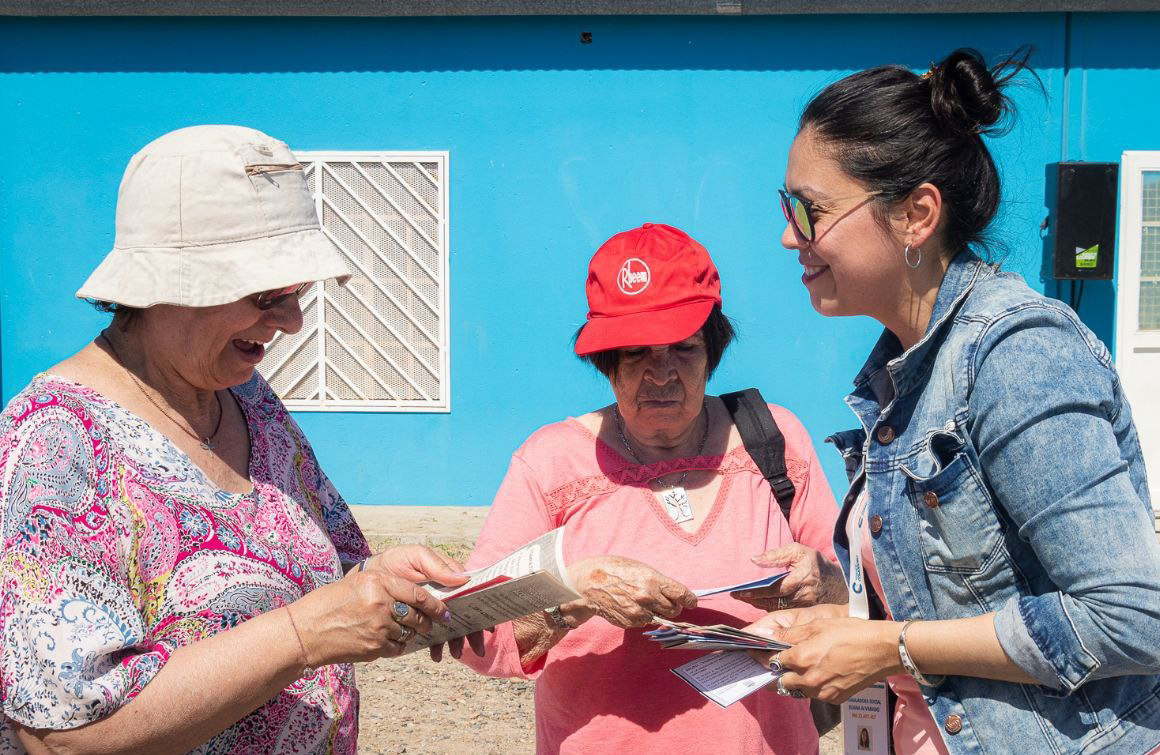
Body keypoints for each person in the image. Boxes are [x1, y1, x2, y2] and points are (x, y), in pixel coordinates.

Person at [746, 48, 1160, 753]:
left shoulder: (1018, 353)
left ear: (916, 214)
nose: (789, 234)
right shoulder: (902, 374)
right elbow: (965, 595)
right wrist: (834, 598)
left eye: (810, 210)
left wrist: (887, 645)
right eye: (787, 205)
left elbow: (1131, 618)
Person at [0, 125, 478, 755]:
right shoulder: (55, 439)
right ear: (167, 284)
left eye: (298, 294)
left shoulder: (247, 399)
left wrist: (379, 579)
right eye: (266, 296)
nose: (292, 321)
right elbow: (66, 735)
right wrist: (304, 635)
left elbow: (323, 574)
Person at [459, 223, 844, 754]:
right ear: (605, 361)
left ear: (713, 349)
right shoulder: (549, 462)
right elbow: (474, 634)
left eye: (683, 350)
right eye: (636, 352)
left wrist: (823, 584)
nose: (660, 374)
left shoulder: (774, 440)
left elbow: (863, 599)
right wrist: (575, 594)